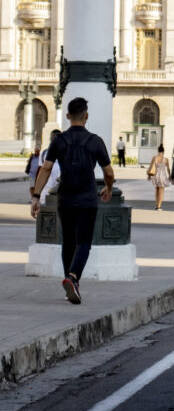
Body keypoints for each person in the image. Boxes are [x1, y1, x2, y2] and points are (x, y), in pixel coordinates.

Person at [30, 96, 113, 305]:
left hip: (65, 198)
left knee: (68, 241)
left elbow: (46, 168)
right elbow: (108, 172)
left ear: (68, 116)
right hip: (87, 198)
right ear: (86, 116)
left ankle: (70, 285)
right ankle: (73, 278)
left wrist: (36, 196)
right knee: (84, 242)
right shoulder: (95, 141)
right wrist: (108, 188)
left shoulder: (58, 140)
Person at [147, 144, 171, 209]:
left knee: (157, 190)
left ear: (158, 151)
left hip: (155, 176)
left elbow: (150, 167)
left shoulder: (154, 158)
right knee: (161, 191)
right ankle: (159, 206)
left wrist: (149, 175)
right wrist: (170, 176)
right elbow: (168, 168)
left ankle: (157, 204)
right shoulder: (166, 159)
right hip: (162, 176)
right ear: (163, 151)